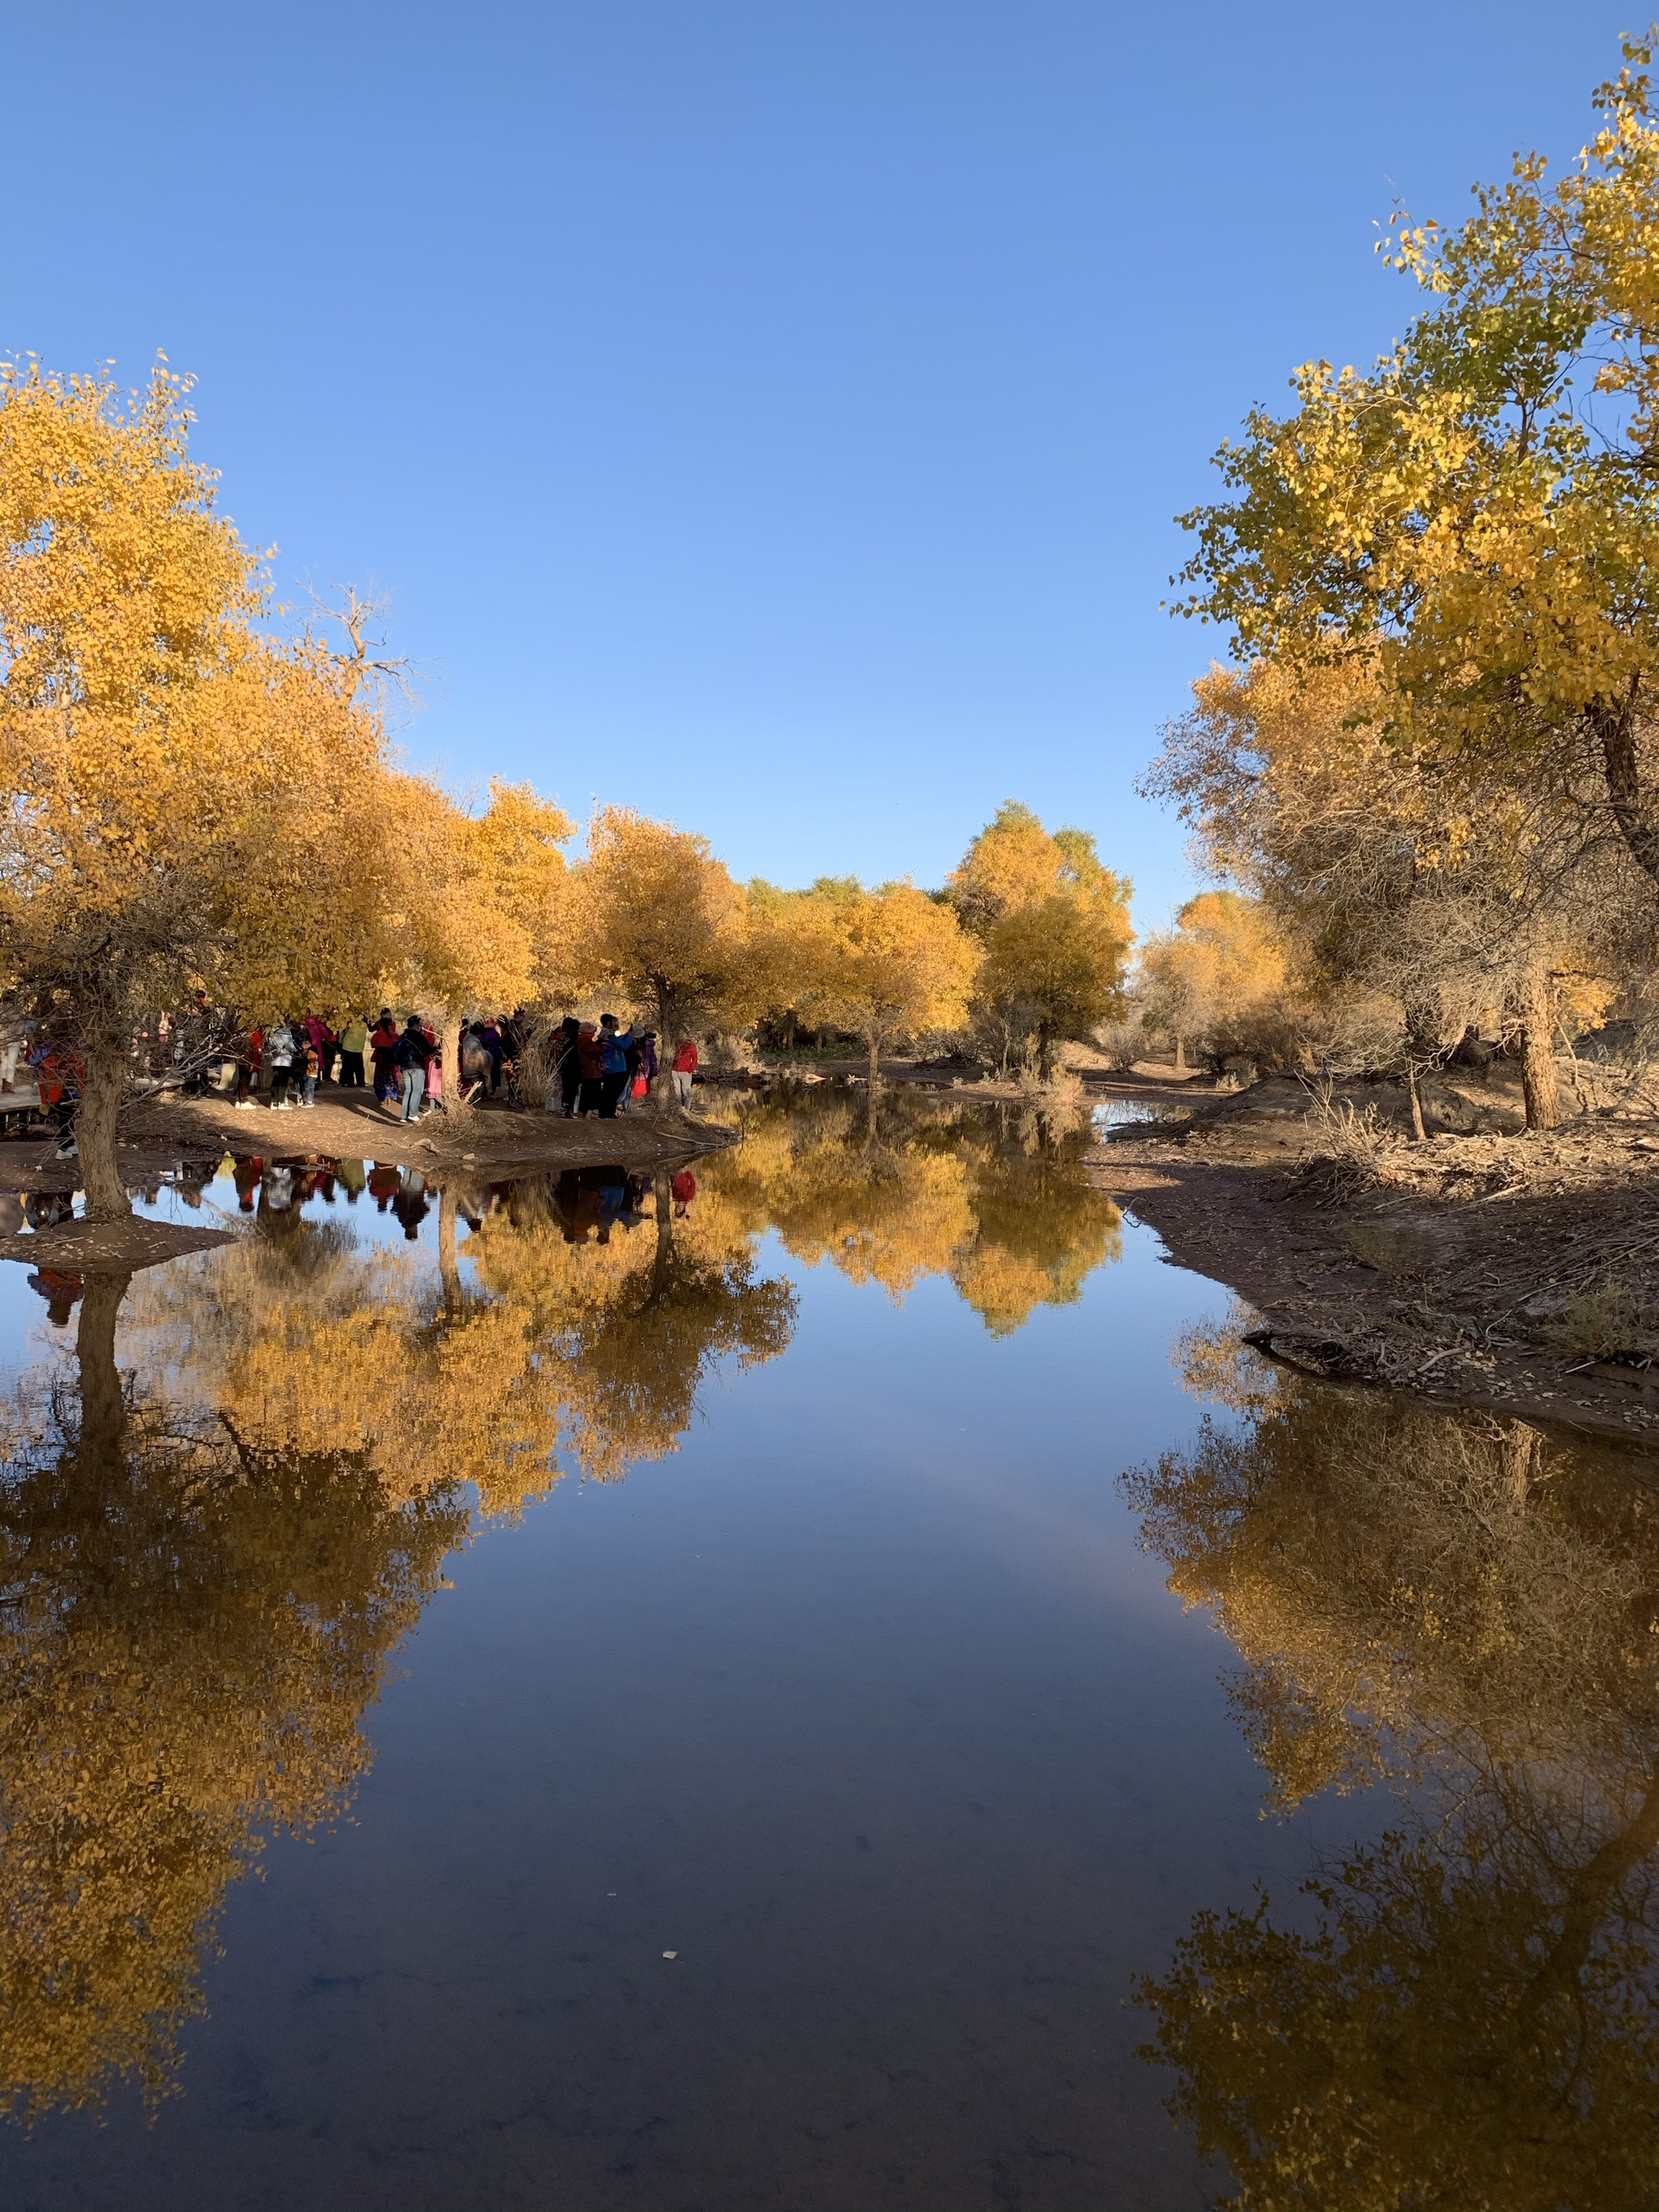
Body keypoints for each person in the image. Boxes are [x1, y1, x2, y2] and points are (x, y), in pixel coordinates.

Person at [394, 1016, 431, 1122]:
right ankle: (413, 1114)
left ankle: (403, 1116)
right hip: (417, 1066)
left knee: (408, 1091)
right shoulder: (418, 1036)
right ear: (415, 1025)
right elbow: (428, 1049)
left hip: (405, 1067)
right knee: (417, 1090)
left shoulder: (403, 1037)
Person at [597, 1013, 631, 1119]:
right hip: (615, 1067)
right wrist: (629, 1037)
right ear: (608, 1023)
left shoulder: (605, 1035)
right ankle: (608, 1112)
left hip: (611, 1066)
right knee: (612, 1091)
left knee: (609, 1091)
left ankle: (605, 1112)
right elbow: (623, 1046)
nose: (616, 1024)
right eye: (613, 1022)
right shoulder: (609, 1036)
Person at [551, 1015, 582, 1117]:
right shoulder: (574, 1038)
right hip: (573, 1067)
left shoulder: (562, 1037)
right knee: (572, 1090)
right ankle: (569, 1111)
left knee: (565, 1090)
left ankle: (564, 1110)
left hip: (563, 1067)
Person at [575, 1021, 606, 1116]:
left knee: (588, 1093)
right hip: (591, 1071)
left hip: (589, 1071)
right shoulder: (585, 1042)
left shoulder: (582, 1041)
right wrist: (604, 1045)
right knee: (593, 1094)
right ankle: (587, 1116)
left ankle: (586, 1115)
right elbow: (597, 1049)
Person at [369, 1011, 400, 1104]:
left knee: (380, 1078)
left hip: (381, 1058)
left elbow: (373, 1044)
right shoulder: (394, 1035)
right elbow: (398, 1044)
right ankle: (390, 1095)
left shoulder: (378, 1035)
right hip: (391, 1058)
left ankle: (382, 1096)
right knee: (391, 1076)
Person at [266, 1019, 297, 1108]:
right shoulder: (285, 1031)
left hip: (274, 1059)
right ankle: (281, 1102)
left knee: (276, 1080)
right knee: (283, 1081)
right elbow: (290, 1046)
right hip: (285, 1059)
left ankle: (273, 1101)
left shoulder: (271, 1032)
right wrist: (297, 1049)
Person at [337, 1012, 369, 1088]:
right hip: (359, 1047)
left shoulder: (349, 1023)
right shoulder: (364, 1025)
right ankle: (361, 1082)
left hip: (348, 1046)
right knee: (359, 1066)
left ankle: (349, 1082)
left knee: (348, 1065)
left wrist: (340, 1042)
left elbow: (342, 1032)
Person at [671, 1034, 699, 1108]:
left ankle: (687, 1110)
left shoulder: (691, 1045)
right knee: (677, 1092)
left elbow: (695, 1059)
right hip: (675, 1071)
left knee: (686, 1092)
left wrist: (689, 1071)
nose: (682, 1036)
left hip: (685, 1072)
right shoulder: (677, 1043)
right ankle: (679, 1108)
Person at [300, 1038, 320, 1108]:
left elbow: (312, 1062)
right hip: (312, 1072)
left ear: (306, 1044)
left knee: (309, 1087)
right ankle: (309, 1100)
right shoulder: (310, 1051)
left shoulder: (311, 1052)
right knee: (308, 1086)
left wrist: (308, 1068)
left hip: (312, 1072)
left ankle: (310, 1101)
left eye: (303, 1045)